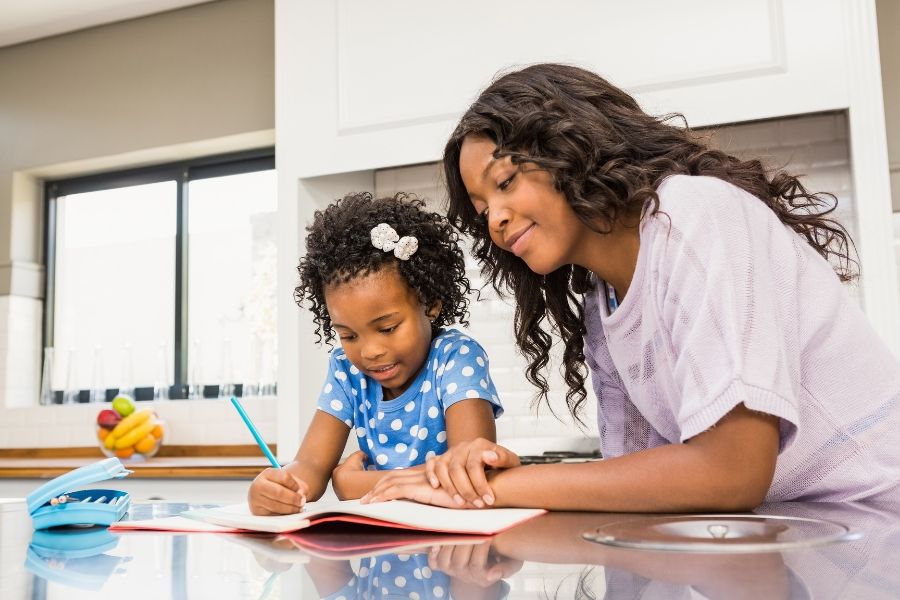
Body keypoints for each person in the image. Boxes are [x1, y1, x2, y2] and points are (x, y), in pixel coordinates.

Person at [361, 63, 900, 511]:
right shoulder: (602, 305)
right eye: (482, 212)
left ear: (571, 147)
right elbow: (638, 482)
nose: (496, 219)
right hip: (804, 532)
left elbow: (732, 471)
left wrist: (495, 490)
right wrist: (503, 476)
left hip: (877, 524)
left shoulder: (695, 215)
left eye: (505, 183)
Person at [248, 192, 503, 515]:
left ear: (432, 303)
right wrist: (281, 487)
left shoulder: (455, 357)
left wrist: (351, 483)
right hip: (378, 550)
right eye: (348, 335)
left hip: (451, 547)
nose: (369, 351)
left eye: (387, 328)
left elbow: (468, 475)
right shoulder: (346, 370)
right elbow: (311, 464)